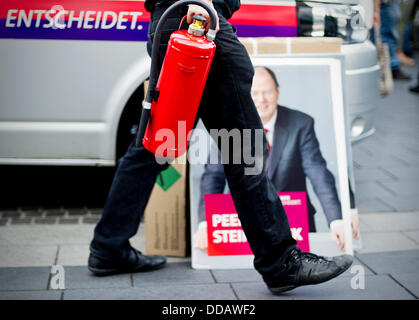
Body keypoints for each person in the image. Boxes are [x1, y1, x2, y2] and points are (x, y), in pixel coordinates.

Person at [88, 0, 353, 294]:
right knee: (245, 148)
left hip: (176, 20)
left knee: (159, 144)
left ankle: (108, 246)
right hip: (199, 19)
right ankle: (281, 262)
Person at [194, 66, 359, 253]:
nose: (261, 100)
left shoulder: (301, 124)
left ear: (278, 92)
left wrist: (336, 220)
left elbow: (318, 173)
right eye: (254, 93)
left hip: (293, 222)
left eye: (267, 92)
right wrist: (205, 222)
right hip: (242, 225)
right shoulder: (228, 126)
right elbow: (213, 177)